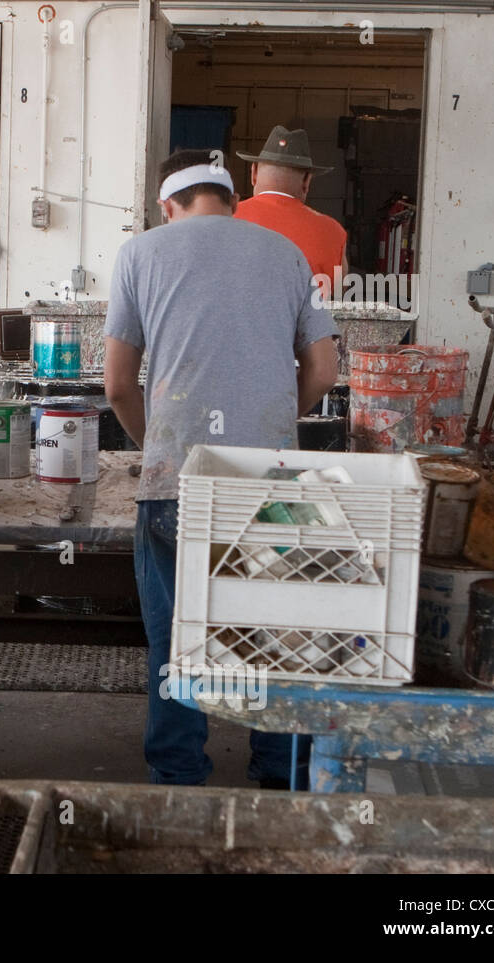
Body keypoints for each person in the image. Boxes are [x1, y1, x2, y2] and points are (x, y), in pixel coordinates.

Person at [103, 148, 339, 789]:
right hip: (267, 479)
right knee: (273, 638)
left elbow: (118, 385)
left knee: (178, 644)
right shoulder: (286, 254)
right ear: (233, 199)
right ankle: (281, 777)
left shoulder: (139, 254)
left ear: (166, 205)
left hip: (175, 481)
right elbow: (324, 368)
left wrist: (156, 446)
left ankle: (178, 787)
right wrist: (276, 426)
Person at [234, 125, 349, 294]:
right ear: (306, 182)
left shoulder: (223, 217)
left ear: (254, 173)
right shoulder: (333, 232)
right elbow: (339, 298)